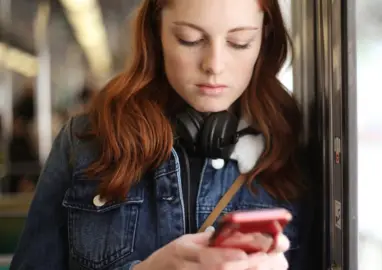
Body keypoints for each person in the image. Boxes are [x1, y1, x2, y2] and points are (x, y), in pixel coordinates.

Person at [11, 0, 313, 269]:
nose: (214, 66)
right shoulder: (85, 142)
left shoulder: (289, 149)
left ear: (264, 38)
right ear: (156, 33)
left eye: (240, 42)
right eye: (190, 39)